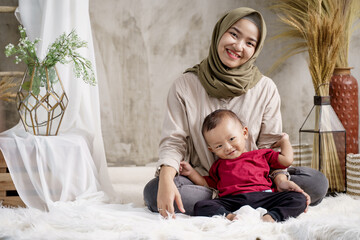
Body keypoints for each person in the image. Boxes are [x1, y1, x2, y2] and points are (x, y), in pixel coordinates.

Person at [143, 7, 328, 218]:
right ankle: (231, 202)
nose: (238, 46)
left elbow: (270, 146)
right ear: (219, 32)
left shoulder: (265, 88)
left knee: (317, 182)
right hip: (206, 180)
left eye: (250, 43)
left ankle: (249, 201)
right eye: (233, 34)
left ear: (256, 49)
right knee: (153, 191)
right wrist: (167, 179)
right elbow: (174, 142)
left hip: (258, 181)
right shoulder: (185, 86)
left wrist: (281, 181)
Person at [179, 109, 307, 222]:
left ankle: (272, 217)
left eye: (232, 139)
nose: (228, 147)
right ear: (211, 149)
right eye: (219, 146)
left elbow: (286, 160)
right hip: (234, 201)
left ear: (244, 133)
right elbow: (207, 184)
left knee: (299, 198)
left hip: (264, 196)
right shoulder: (218, 165)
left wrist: (285, 141)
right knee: (201, 206)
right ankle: (231, 217)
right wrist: (191, 172)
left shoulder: (261, 154)